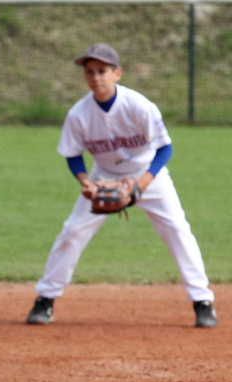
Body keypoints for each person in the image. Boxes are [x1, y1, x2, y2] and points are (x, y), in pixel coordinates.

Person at [25, 43, 217, 328]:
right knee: (73, 231)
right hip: (104, 176)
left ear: (117, 73)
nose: (96, 77)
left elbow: (165, 149)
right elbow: (72, 154)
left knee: (177, 229)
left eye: (102, 71)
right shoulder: (79, 114)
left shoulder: (139, 106)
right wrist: (87, 183)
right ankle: (45, 300)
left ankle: (203, 302)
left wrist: (140, 185)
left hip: (147, 174)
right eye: (90, 72)